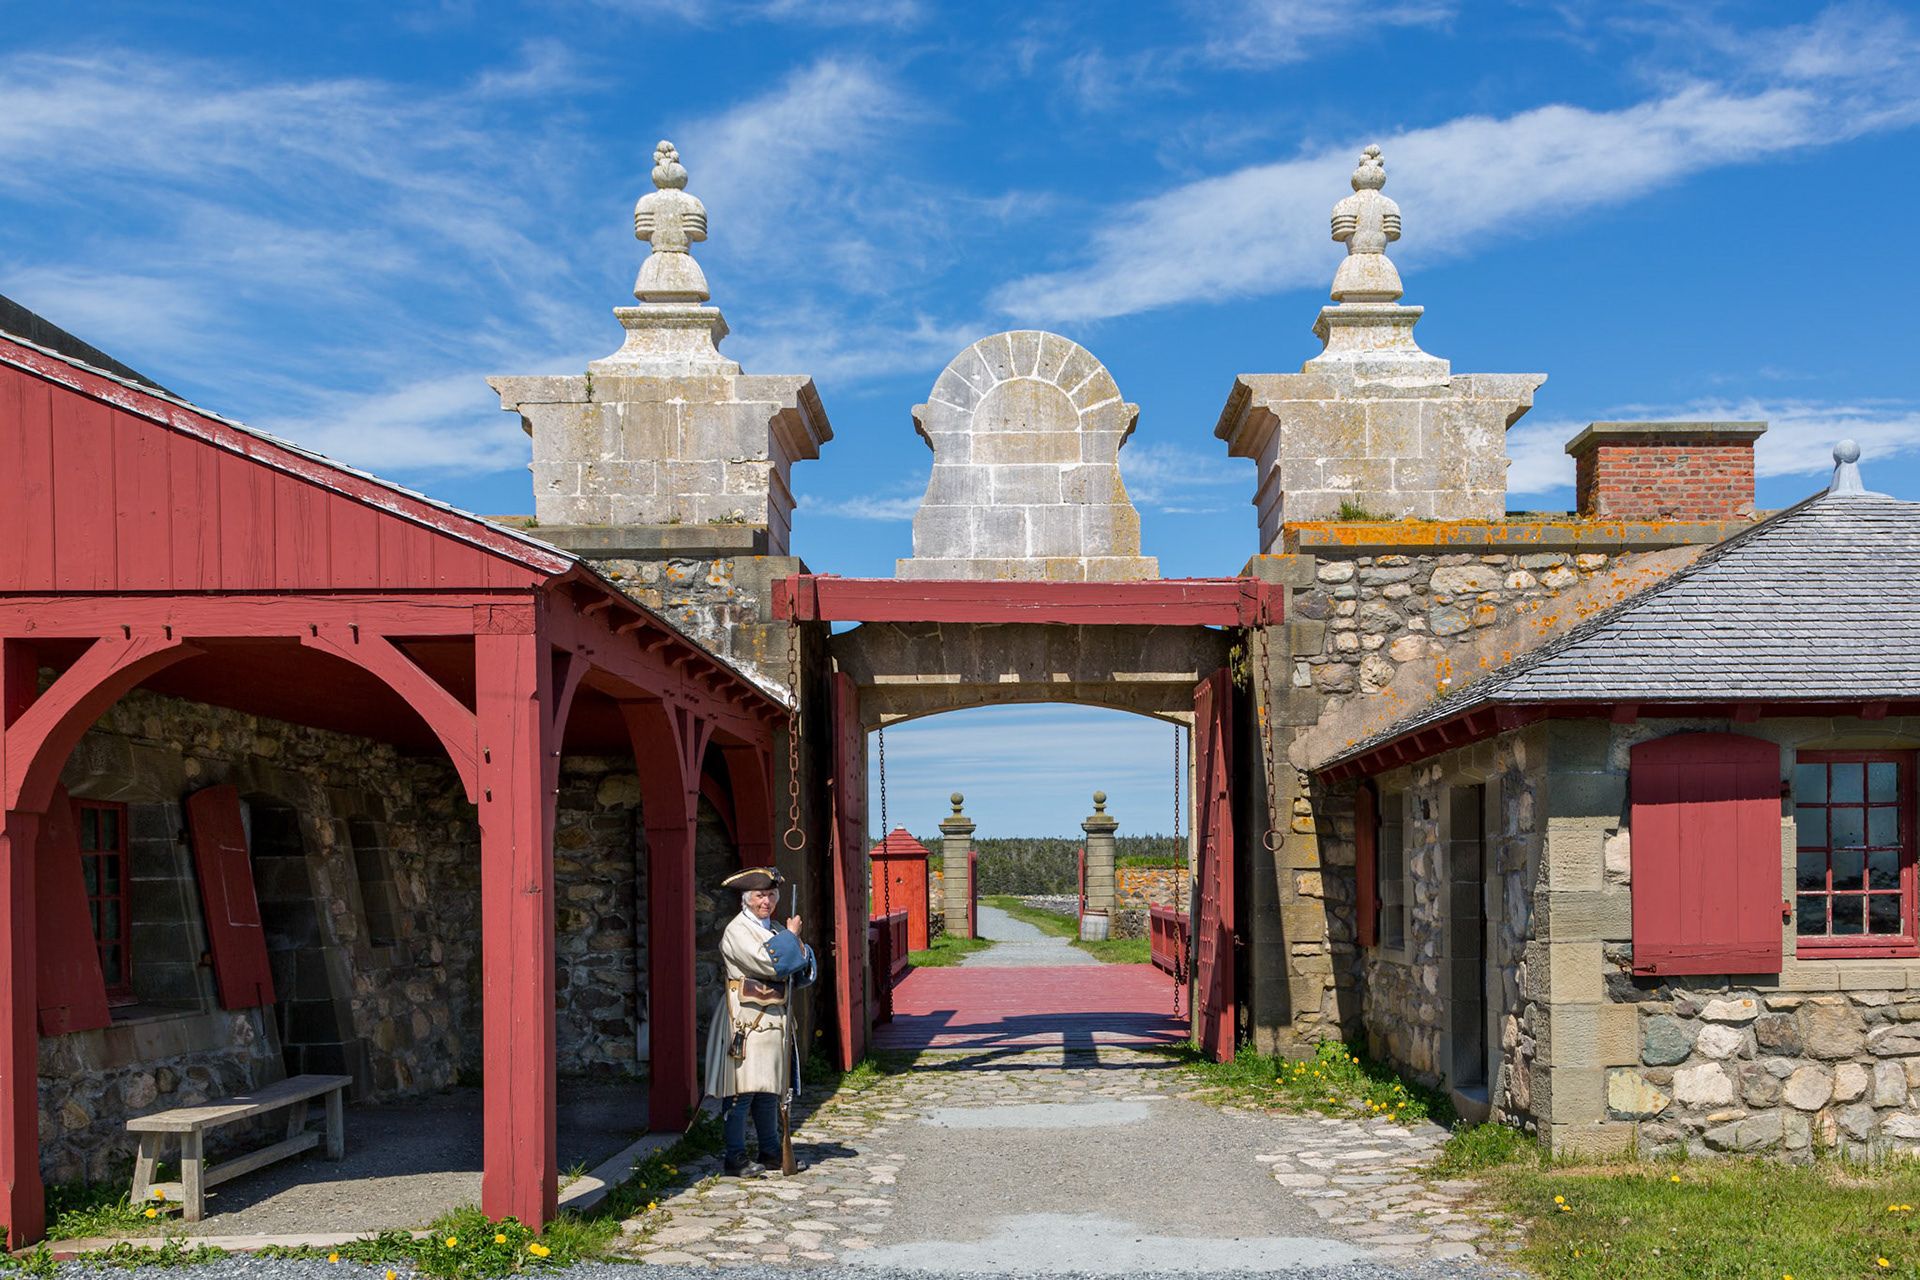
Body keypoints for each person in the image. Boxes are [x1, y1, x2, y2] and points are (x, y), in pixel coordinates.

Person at [702, 866, 816, 1177]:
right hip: (745, 1022)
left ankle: (770, 1151)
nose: (766, 901)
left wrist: (792, 942)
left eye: (771, 895)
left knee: (769, 1091)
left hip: (774, 1021)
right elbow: (769, 964)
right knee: (741, 1091)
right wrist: (792, 938)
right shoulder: (737, 930)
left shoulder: (776, 928)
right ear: (747, 899)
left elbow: (800, 969)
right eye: (760, 895)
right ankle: (735, 1157)